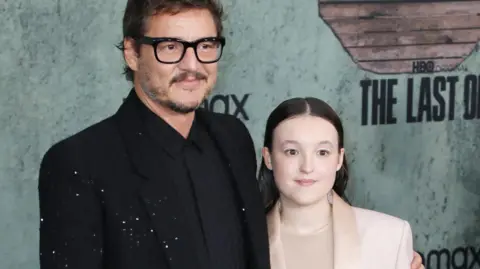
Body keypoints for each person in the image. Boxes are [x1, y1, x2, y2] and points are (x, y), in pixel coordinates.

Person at [37, 0, 424, 269]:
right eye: (170, 47)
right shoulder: (80, 163)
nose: (192, 65)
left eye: (205, 46)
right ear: (132, 53)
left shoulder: (231, 137)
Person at [258, 97, 423, 269]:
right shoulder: (242, 243)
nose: (307, 167)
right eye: (292, 151)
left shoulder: (389, 237)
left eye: (322, 152)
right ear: (268, 158)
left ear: (339, 159)